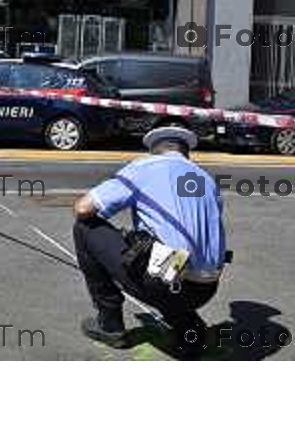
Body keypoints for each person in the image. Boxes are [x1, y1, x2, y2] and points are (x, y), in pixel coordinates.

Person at [73, 126, 227, 353]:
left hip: (167, 282)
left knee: (85, 228)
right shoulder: (205, 179)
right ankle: (188, 329)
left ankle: (110, 323)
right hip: (207, 286)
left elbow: (83, 208)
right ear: (186, 153)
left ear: (154, 150)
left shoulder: (144, 167)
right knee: (172, 257)